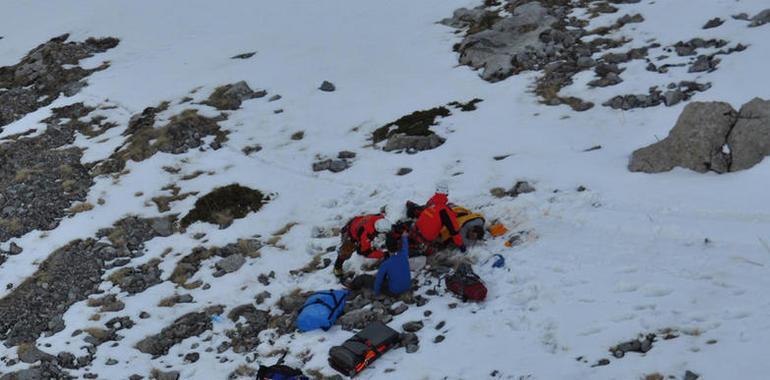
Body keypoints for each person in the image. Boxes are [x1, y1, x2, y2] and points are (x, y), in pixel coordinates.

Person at [347, 233, 411, 296]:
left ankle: (352, 286)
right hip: (407, 286)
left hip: (394, 291)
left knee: (364, 277)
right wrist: (404, 237)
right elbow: (405, 245)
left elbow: (378, 280)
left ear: (387, 248)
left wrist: (377, 293)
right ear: (397, 246)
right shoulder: (404, 254)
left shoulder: (386, 263)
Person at [410, 184, 466, 254]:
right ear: (446, 194)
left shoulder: (430, 202)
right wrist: (461, 245)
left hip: (414, 231)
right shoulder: (444, 211)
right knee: (441, 249)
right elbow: (454, 231)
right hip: (425, 241)